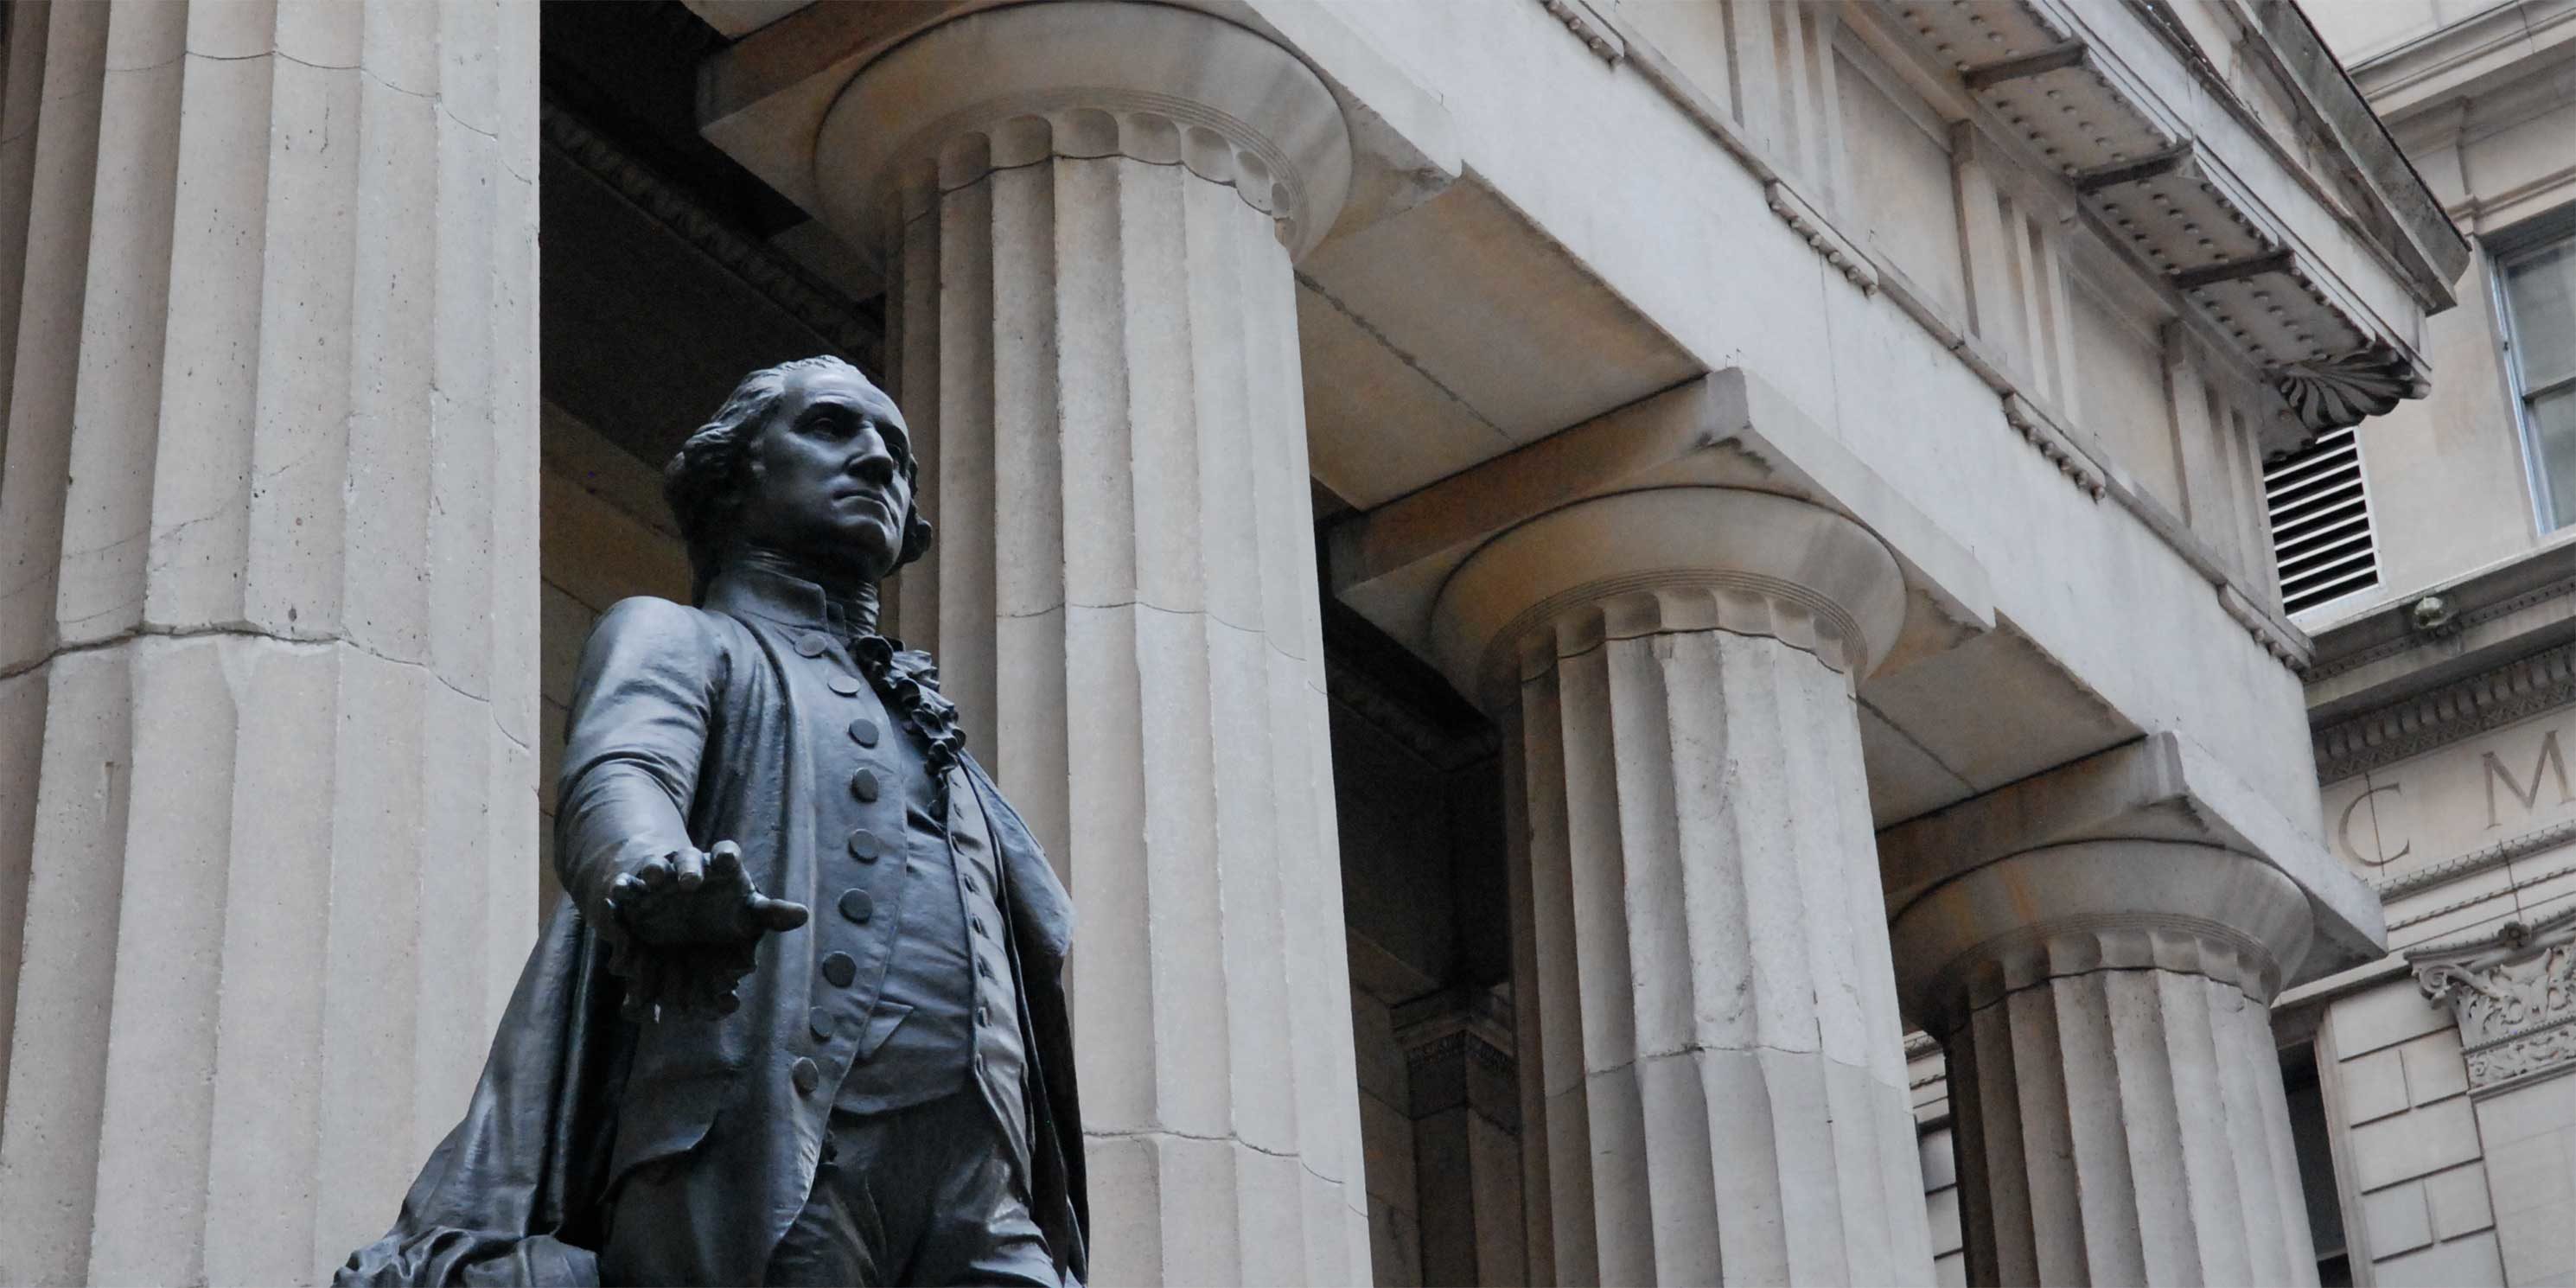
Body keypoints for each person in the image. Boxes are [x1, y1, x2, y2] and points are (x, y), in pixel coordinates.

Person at [339, 356, 1086, 1287]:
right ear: (735, 474)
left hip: (981, 1177)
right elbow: (622, 771)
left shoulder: (934, 736)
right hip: (768, 1139)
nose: (875, 460)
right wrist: (652, 876)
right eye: (830, 428)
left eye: (895, 451)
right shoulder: (681, 637)